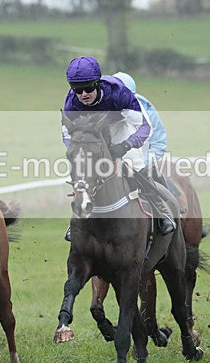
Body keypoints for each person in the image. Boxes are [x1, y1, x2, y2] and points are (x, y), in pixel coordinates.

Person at [61, 56, 176, 239]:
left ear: (97, 83)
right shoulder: (71, 104)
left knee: (135, 165)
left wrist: (124, 147)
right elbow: (67, 136)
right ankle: (77, 220)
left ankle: (162, 215)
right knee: (83, 171)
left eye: (89, 88)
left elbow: (145, 127)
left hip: (120, 126)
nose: (83, 94)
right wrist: (79, 150)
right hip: (90, 134)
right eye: (77, 89)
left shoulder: (118, 93)